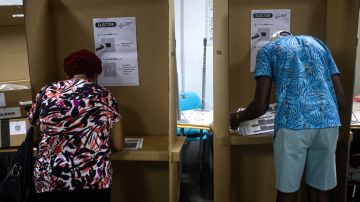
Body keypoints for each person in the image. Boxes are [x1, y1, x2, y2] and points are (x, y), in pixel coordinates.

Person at [230, 31, 345, 202]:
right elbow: (340, 100)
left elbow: (260, 106)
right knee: (320, 189)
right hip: (328, 121)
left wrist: (238, 117)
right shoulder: (319, 44)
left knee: (288, 190)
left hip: (293, 124)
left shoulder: (268, 50)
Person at [28, 49, 124, 202]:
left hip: (50, 177)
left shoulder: (46, 92)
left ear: (68, 72)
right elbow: (119, 144)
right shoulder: (105, 96)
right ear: (95, 73)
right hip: (94, 178)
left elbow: (35, 137)